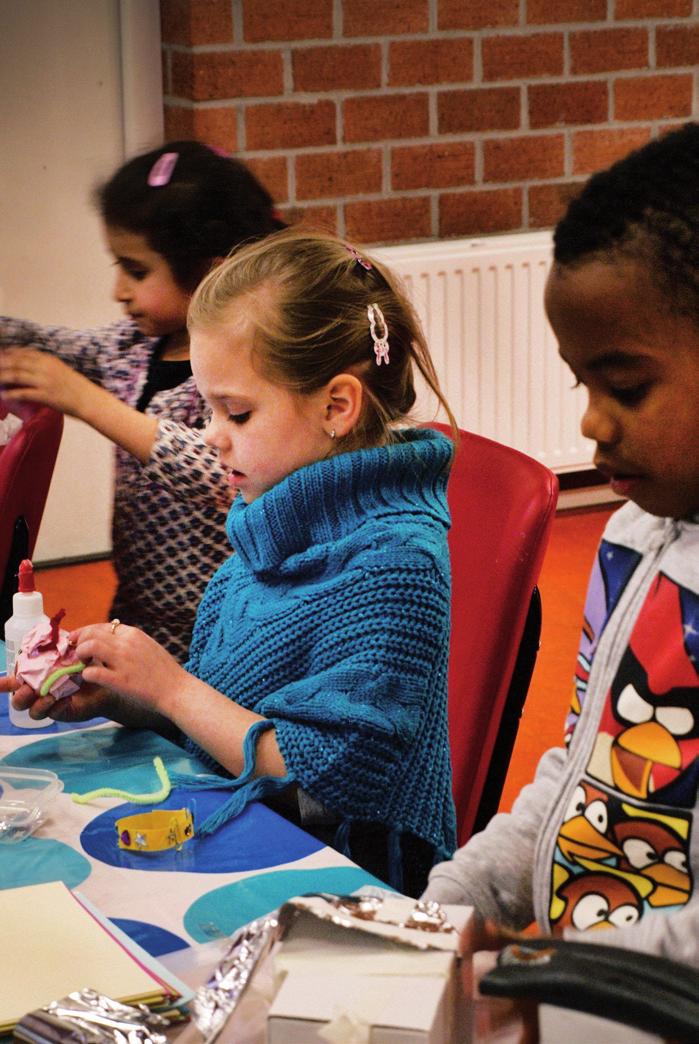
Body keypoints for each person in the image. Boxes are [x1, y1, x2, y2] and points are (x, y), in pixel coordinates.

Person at [5, 229, 459, 896]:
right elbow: (231, 713)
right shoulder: (275, 516)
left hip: (346, 884)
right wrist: (125, 695)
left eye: (235, 412)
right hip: (259, 831)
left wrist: (172, 689)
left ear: (336, 406)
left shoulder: (396, 564)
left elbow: (322, 774)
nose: (211, 435)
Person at [423, 123, 699, 969]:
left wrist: (546, 980)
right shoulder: (627, 540)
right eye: (579, 382)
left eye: (624, 385)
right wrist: (447, 903)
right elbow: (583, 768)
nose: (588, 421)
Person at [0, 141, 284, 661]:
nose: (118, 291)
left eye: (136, 271)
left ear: (211, 272)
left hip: (217, 634)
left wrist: (84, 401)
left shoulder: (243, 374)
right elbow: (46, 343)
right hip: (137, 613)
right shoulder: (132, 347)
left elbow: (216, 470)